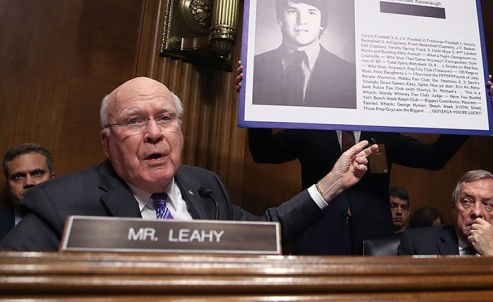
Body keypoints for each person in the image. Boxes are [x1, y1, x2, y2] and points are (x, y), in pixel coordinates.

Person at [0, 77, 377, 252]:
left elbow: (267, 231)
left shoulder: (205, 185)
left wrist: (333, 182)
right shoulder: (60, 204)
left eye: (165, 118)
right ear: (107, 141)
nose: (153, 133)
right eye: (134, 121)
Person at [237, 62, 493, 255]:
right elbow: (264, 152)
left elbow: (433, 157)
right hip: (318, 235)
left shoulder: (383, 134)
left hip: (374, 239)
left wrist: (474, 112)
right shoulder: (310, 127)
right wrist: (252, 100)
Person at [251, 0, 355, 108]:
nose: (302, 21)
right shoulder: (254, 68)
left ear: (322, 23)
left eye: (311, 12)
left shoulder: (349, 74)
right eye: (292, 11)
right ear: (280, 19)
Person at [398, 170, 493, 256]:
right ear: (454, 208)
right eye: (467, 201)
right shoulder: (417, 243)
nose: (476, 212)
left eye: (487, 204)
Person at [0, 143, 55, 239]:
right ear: (8, 185)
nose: (28, 183)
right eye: (18, 176)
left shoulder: (73, 222)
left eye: (37, 173)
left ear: (52, 179)